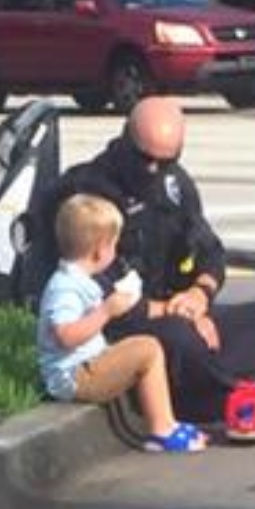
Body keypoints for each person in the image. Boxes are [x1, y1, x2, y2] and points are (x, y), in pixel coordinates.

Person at [46, 96, 255, 424]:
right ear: (126, 139)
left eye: (165, 161)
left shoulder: (174, 184)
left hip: (182, 309)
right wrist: (172, 314)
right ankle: (229, 395)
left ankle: (202, 388)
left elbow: (209, 252)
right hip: (128, 324)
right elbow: (104, 298)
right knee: (181, 340)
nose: (153, 170)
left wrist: (199, 296)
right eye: (145, 159)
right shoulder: (90, 195)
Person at [37, 193, 208, 453]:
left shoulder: (79, 280)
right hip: (74, 376)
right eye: (114, 245)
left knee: (143, 346)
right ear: (99, 250)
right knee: (147, 349)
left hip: (84, 364)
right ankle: (161, 429)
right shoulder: (66, 287)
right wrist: (107, 311)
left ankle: (167, 421)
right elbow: (66, 335)